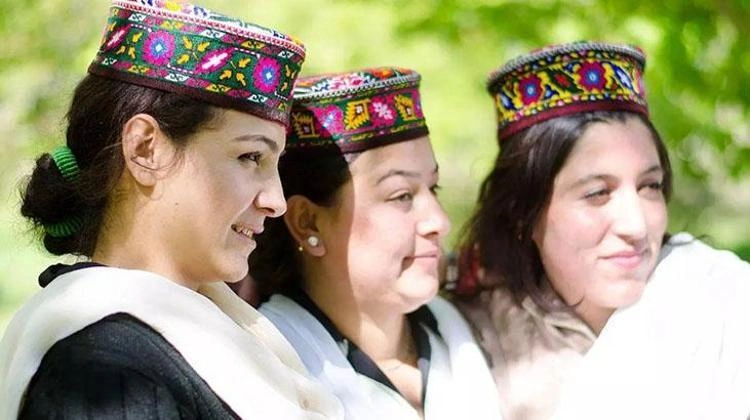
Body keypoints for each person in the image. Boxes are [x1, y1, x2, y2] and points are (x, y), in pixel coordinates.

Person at [0, 1, 343, 418]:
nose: (275, 200)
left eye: (274, 165)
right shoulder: (103, 368)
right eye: (250, 157)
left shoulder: (225, 332)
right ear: (145, 149)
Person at [450, 40, 750, 419]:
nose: (636, 226)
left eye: (650, 186)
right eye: (597, 193)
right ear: (523, 212)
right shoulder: (468, 338)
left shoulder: (720, 299)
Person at [247, 67, 502, 419]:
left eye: (434, 188)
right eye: (401, 195)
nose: (439, 221)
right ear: (308, 222)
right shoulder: (267, 366)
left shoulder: (466, 333)